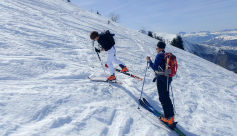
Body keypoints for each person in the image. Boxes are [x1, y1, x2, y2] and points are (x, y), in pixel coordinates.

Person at [146, 41, 175, 127]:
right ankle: (171, 116)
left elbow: (154, 67)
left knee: (163, 98)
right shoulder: (167, 55)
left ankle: (167, 118)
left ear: (159, 48)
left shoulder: (160, 55)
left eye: (156, 48)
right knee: (166, 97)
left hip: (161, 79)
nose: (156, 50)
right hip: (168, 78)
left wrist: (149, 61)